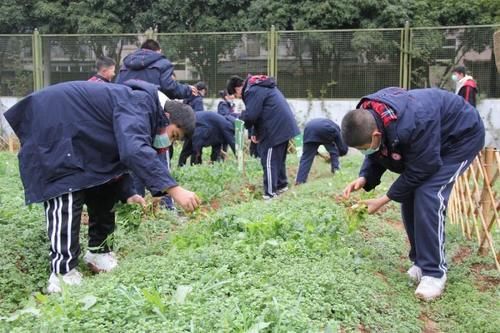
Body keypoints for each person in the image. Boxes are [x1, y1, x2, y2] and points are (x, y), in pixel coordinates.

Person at [4, 80, 201, 293]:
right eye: (173, 135)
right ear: (169, 117)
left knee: (105, 180)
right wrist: (174, 189)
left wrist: (128, 193)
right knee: (66, 188)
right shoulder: (141, 103)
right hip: (55, 125)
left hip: (80, 135)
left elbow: (117, 155)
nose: (168, 142)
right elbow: (133, 150)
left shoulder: (144, 110)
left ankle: (98, 251)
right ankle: (62, 273)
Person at [341, 87, 484, 301]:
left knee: (428, 192)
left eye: (364, 147)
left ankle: (435, 273)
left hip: (459, 138)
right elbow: (377, 151)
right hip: (431, 140)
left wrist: (382, 200)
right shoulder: (372, 116)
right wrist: (364, 178)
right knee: (408, 193)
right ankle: (420, 261)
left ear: (376, 135)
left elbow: (422, 168)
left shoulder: (414, 123)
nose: (364, 152)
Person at [115, 39, 198, 209]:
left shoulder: (125, 66)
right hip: (154, 116)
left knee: (134, 161)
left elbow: (117, 88)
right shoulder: (162, 64)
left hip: (126, 118)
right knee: (159, 161)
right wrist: (187, 90)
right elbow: (170, 87)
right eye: (175, 137)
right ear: (158, 51)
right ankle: (168, 208)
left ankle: (136, 207)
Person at [227, 75, 299, 199]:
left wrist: (240, 117)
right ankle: (281, 186)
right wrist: (253, 132)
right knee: (278, 158)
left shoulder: (252, 90)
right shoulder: (260, 86)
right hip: (283, 125)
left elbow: (251, 116)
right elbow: (259, 111)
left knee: (269, 160)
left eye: (237, 95)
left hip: (274, 128)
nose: (240, 98)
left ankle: (270, 194)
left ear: (238, 88)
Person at [295, 118, 348, 184]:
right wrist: (342, 151)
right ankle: (336, 170)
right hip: (323, 130)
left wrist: (317, 153)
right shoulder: (337, 129)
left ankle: (300, 180)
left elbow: (310, 150)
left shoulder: (330, 124)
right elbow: (341, 146)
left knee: (306, 158)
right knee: (334, 151)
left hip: (309, 129)